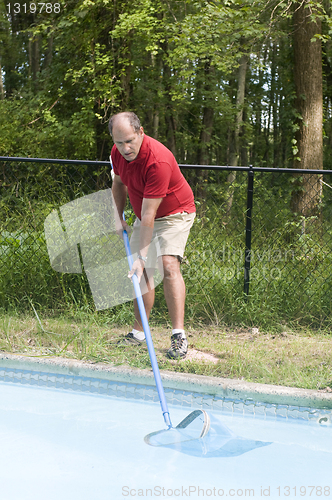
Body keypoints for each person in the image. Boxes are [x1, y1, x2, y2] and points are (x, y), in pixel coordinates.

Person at [109, 111, 195, 359]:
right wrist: (118, 217)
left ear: (141, 132)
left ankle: (179, 336)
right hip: (144, 214)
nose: (125, 148)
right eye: (119, 143)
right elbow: (118, 183)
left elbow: (150, 215)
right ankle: (138, 333)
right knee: (142, 275)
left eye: (129, 141)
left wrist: (142, 256)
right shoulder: (118, 154)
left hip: (174, 213)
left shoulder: (158, 160)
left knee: (167, 265)